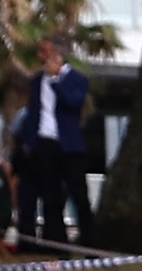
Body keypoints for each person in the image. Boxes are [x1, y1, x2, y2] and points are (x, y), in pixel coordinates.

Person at [14, 51, 94, 248]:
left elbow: (73, 102)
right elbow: (33, 112)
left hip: (68, 145)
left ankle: (90, 244)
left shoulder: (76, 79)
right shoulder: (36, 82)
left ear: (59, 57)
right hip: (44, 143)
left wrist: (57, 80)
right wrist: (29, 141)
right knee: (51, 198)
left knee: (79, 196)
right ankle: (58, 245)